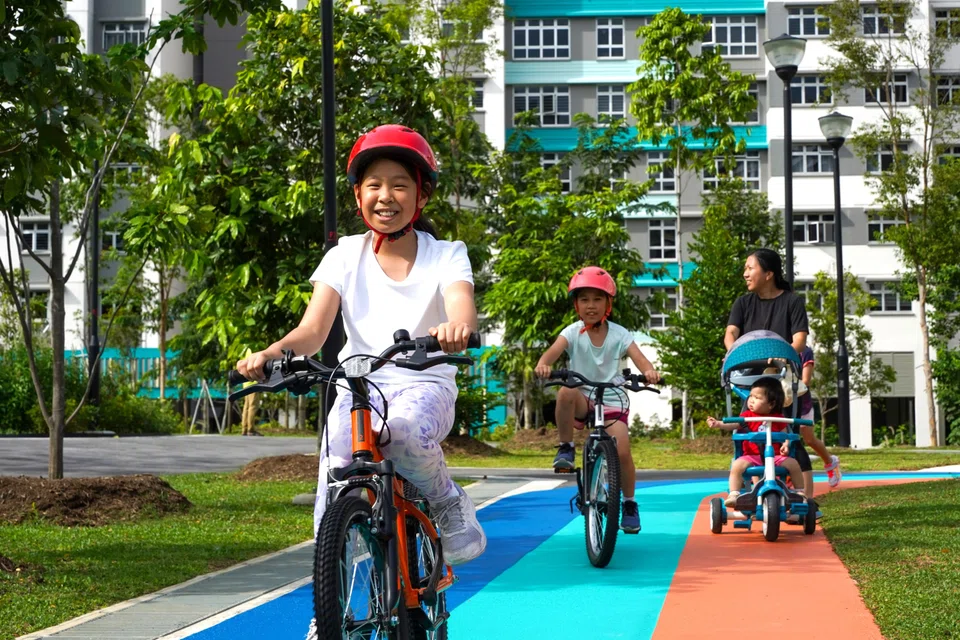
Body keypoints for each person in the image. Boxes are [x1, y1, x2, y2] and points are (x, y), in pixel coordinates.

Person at [235, 125, 487, 604]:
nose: (385, 196)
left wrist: (454, 329)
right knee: (334, 488)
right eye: (374, 185)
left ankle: (446, 499)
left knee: (407, 432)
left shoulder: (447, 255)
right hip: (357, 388)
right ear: (357, 194)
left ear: (421, 195)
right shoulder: (344, 255)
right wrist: (272, 354)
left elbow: (462, 309)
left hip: (424, 382)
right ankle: (328, 614)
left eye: (399, 184)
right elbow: (313, 330)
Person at [534, 266, 661, 533]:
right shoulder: (570, 332)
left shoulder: (619, 334)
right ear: (576, 305)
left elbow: (639, 357)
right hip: (583, 396)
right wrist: (544, 364)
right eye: (584, 300)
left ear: (608, 303)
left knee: (623, 451)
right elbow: (551, 352)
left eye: (597, 299)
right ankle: (566, 447)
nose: (591, 306)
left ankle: (628, 503)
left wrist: (648, 370)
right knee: (565, 390)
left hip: (612, 398)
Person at [723, 248, 818, 492]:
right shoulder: (743, 303)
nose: (745, 273)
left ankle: (806, 497)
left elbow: (799, 340)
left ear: (768, 274)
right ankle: (751, 490)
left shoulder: (792, 301)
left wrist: (782, 354)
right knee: (749, 434)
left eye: (750, 268)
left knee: (791, 439)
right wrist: (733, 350)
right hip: (750, 380)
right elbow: (731, 332)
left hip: (782, 378)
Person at [706, 377, 805, 507]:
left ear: (771, 404)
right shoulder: (747, 416)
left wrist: (786, 444)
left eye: (757, 398)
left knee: (793, 464)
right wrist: (718, 423)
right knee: (736, 465)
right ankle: (734, 493)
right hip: (752, 456)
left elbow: (786, 434)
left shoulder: (778, 418)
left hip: (775, 456)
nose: (751, 400)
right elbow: (733, 424)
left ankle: (800, 493)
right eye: (751, 396)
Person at [797, 347, 842, 489]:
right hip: (781, 405)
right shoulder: (778, 347)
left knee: (809, 439)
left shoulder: (805, 351)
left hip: (801, 404)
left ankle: (830, 463)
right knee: (785, 440)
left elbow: (806, 380)